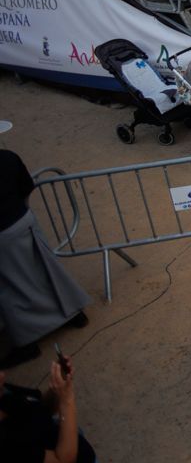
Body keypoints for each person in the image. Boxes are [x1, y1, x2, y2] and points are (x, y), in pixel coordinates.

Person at [0, 148, 90, 370]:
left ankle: (26, 342)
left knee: (9, 287)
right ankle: (73, 314)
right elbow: (26, 187)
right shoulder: (7, 156)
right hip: (23, 220)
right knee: (47, 267)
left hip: (2, 232)